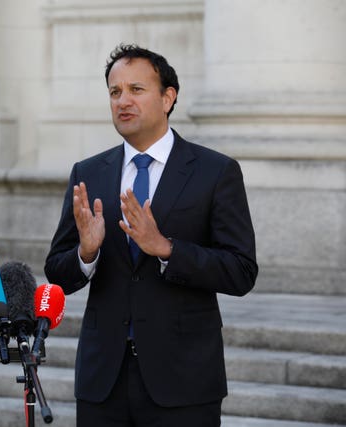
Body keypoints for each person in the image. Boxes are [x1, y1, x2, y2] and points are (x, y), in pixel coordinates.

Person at [44, 43, 258, 426]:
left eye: (136, 90)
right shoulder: (89, 173)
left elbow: (241, 271)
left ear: (168, 97)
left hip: (184, 381)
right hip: (102, 381)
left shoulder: (215, 171)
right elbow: (57, 271)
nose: (123, 101)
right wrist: (87, 254)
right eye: (114, 92)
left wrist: (167, 250)